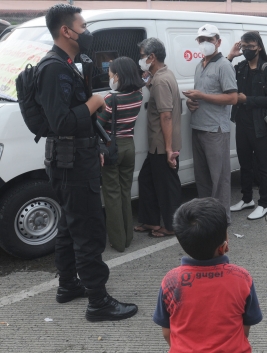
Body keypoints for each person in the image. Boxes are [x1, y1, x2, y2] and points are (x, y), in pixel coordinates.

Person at [37, 4, 137, 321]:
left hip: (74, 157)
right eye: (82, 25)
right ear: (66, 31)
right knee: (89, 233)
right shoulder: (53, 67)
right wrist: (94, 102)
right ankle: (98, 302)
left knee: (69, 227)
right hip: (72, 162)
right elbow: (62, 121)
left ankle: (68, 285)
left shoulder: (70, 63)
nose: (86, 31)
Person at [153, 198, 263, 351]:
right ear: (224, 243)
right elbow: (245, 328)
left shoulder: (171, 281)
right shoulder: (242, 278)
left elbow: (166, 331)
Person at [184, 24, 238, 224]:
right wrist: (192, 101)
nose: (205, 43)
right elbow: (202, 96)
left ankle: (222, 220)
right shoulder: (200, 65)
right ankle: (207, 216)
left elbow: (232, 98)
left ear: (218, 42)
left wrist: (202, 96)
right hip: (198, 127)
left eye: (209, 39)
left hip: (215, 130)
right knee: (203, 179)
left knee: (220, 179)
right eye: (201, 40)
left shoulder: (224, 65)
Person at [226, 31, 267, 220]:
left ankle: (264, 204)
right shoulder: (240, 67)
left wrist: (247, 99)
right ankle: (247, 198)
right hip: (242, 123)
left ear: (259, 47)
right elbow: (222, 73)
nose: (248, 50)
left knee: (263, 166)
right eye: (244, 46)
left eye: (251, 46)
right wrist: (230, 55)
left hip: (260, 126)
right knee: (244, 163)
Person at [134, 38, 182, 238]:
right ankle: (151, 221)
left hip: (162, 145)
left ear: (152, 57)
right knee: (146, 180)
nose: (141, 60)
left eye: (143, 56)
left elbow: (166, 115)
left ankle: (172, 226)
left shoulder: (161, 81)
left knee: (167, 187)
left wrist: (169, 149)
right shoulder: (163, 75)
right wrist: (147, 82)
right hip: (157, 144)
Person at [97, 57, 144, 252]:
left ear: (118, 76)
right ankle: (128, 235)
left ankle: (118, 241)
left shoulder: (111, 98)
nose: (110, 77)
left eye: (111, 74)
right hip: (128, 147)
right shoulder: (138, 95)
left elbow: (100, 124)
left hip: (111, 148)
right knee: (125, 191)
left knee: (112, 193)